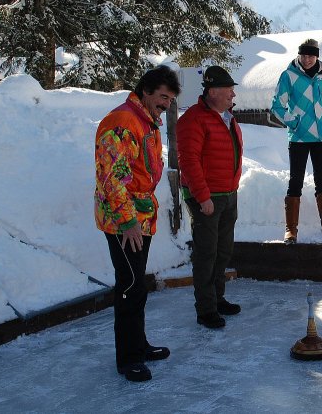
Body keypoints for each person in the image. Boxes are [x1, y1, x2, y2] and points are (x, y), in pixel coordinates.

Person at [94, 65, 178, 382]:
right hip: (123, 219)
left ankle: (138, 345)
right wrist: (128, 221)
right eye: (162, 96)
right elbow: (110, 179)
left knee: (137, 284)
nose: (166, 104)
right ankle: (128, 359)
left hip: (139, 215)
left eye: (170, 99)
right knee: (129, 285)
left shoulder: (146, 122)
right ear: (146, 91)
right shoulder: (122, 123)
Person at [177, 65, 243, 329]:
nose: (232, 96)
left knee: (223, 251)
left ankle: (217, 299)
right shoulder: (193, 119)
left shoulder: (227, 117)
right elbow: (189, 161)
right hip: (207, 197)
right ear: (212, 91)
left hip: (228, 194)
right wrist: (203, 197)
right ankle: (205, 309)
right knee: (206, 254)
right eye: (229, 90)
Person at [271, 38, 322, 245]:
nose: (307, 59)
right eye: (304, 55)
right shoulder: (289, 76)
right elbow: (277, 105)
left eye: (311, 55)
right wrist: (293, 122)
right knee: (296, 181)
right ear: (299, 55)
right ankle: (290, 230)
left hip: (321, 137)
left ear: (317, 56)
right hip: (299, 138)